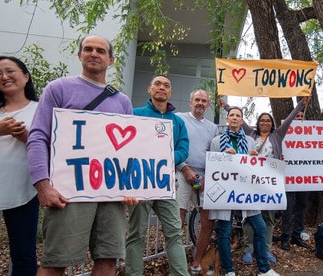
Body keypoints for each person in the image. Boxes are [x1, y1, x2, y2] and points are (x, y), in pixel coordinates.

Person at [27, 35, 136, 276]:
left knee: (108, 259)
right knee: (57, 260)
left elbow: (128, 152)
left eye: (100, 50)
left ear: (111, 60)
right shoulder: (58, 89)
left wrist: (130, 186)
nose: (94, 53)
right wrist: (42, 186)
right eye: (88, 49)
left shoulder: (122, 101)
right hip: (69, 191)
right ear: (80, 55)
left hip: (111, 194)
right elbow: (37, 137)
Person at [220, 97, 308, 264]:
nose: (265, 123)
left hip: (270, 183)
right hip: (251, 181)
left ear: (272, 123)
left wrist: (301, 104)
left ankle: (266, 249)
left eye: (268, 121)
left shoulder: (277, 135)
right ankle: (248, 249)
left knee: (268, 217)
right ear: (258, 123)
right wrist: (226, 106)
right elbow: (239, 119)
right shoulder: (251, 134)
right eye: (262, 120)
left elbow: (290, 119)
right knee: (249, 215)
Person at [0, 56, 39, 275]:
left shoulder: (41, 110)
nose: (4, 77)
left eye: (10, 70)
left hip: (24, 190)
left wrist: (26, 137)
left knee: (24, 255)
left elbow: (50, 150)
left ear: (26, 76)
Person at [125, 75, 189, 276]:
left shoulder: (177, 122)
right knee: (136, 234)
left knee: (174, 233)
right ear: (149, 89)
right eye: (158, 84)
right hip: (139, 182)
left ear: (170, 93)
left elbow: (183, 149)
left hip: (166, 183)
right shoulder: (134, 114)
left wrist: (167, 156)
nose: (162, 88)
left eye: (167, 86)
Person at [209, 106, 279, 276]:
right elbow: (213, 166)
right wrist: (225, 156)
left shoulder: (249, 141)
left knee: (260, 227)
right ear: (227, 119)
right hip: (226, 191)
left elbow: (251, 167)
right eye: (231, 115)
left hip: (246, 190)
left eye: (238, 116)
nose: (234, 118)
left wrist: (253, 158)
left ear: (241, 120)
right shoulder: (216, 141)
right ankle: (229, 270)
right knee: (225, 231)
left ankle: (263, 268)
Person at [176, 89, 219, 275]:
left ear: (208, 105)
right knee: (177, 220)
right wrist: (185, 168)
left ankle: (197, 261)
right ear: (190, 102)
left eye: (204, 101)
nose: (200, 103)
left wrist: (207, 178)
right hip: (181, 172)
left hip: (204, 179)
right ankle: (176, 263)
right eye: (197, 100)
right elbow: (172, 144)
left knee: (208, 223)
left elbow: (215, 155)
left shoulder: (213, 127)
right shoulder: (179, 119)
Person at [279, 108, 312, 251]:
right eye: (296, 116)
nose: (299, 118)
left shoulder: (312, 133)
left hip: (304, 177)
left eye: (301, 116)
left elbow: (315, 150)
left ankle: (297, 234)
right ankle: (285, 236)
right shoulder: (284, 133)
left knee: (301, 206)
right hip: (289, 176)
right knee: (288, 208)